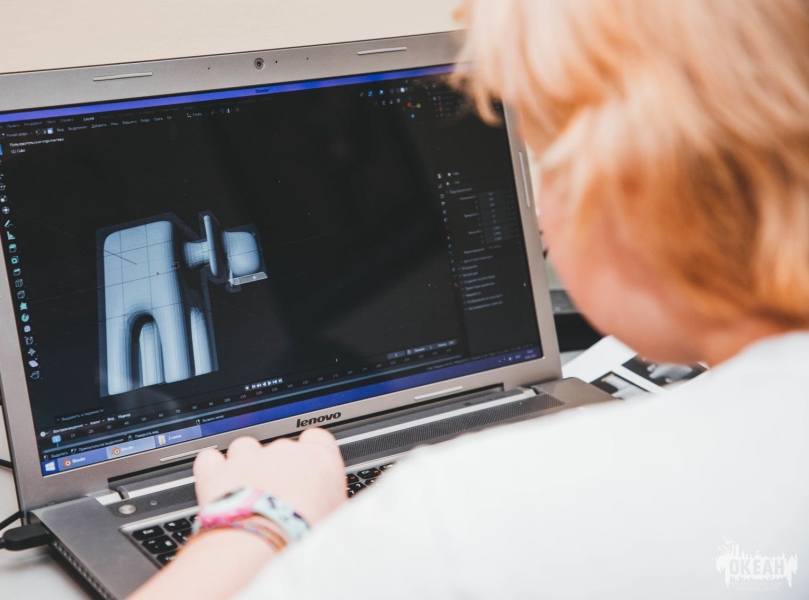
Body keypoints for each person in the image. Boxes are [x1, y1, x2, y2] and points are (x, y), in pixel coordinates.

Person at [132, 0, 809, 597]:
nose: (539, 219)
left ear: (632, 192)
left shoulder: (458, 520)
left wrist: (258, 521)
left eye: (549, 157)